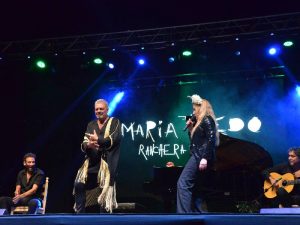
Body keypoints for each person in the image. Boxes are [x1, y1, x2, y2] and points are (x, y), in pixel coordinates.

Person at [73, 99, 122, 213]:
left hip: (106, 165)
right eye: (97, 109)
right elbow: (84, 143)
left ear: (107, 110)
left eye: (101, 109)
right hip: (91, 164)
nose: (99, 111)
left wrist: (98, 140)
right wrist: (89, 145)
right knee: (79, 184)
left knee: (104, 193)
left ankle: (103, 219)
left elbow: (113, 140)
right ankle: (80, 216)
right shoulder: (91, 124)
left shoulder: (115, 122)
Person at [177, 94, 219, 213]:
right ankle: (200, 215)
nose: (193, 112)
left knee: (183, 183)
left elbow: (211, 139)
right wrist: (190, 129)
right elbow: (195, 142)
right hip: (198, 155)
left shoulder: (206, 119)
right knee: (196, 188)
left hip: (199, 156)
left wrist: (204, 158)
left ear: (201, 108)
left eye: (194, 109)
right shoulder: (199, 122)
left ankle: (183, 215)